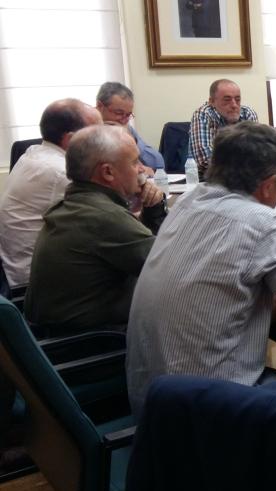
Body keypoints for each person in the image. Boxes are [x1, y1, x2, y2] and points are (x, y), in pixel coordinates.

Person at [126, 122, 276, 419]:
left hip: (151, 408)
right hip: (212, 415)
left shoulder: (185, 202)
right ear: (268, 185)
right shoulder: (260, 221)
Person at [23, 125, 166, 336]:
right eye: (135, 162)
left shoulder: (78, 204)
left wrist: (152, 209)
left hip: (64, 334)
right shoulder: (104, 217)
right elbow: (170, 267)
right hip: (96, 342)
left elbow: (145, 251)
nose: (142, 170)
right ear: (108, 172)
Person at [0, 99, 102, 289]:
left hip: (18, 271)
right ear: (70, 140)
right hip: (37, 283)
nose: (104, 139)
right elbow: (109, 221)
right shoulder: (61, 172)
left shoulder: (33, 153)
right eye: (97, 133)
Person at [188, 78, 258, 176]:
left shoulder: (248, 114)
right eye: (227, 100)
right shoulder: (203, 114)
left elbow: (256, 152)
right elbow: (205, 160)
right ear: (211, 101)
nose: (234, 105)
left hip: (245, 178)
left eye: (237, 99)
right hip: (211, 179)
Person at [96, 81, 165, 174]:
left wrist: (129, 139)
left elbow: (157, 162)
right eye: (119, 113)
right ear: (100, 106)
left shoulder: (125, 127)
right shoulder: (87, 131)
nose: (124, 120)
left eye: (128, 115)